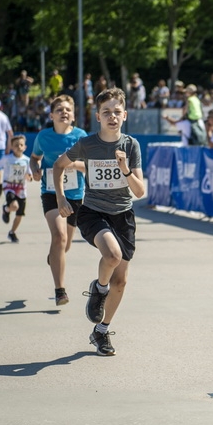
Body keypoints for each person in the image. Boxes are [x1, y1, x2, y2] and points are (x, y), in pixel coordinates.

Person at [53, 88, 145, 356]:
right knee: (112, 255)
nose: (112, 116)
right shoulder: (88, 144)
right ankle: (98, 288)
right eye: (107, 112)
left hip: (123, 215)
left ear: (124, 115)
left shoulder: (131, 145)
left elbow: (139, 192)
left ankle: (102, 331)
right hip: (93, 212)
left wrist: (125, 169)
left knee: (121, 282)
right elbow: (59, 165)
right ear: (98, 117)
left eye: (117, 112)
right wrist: (61, 199)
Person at [30, 95, 87, 306]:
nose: (64, 112)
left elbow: (91, 165)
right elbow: (34, 158)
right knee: (59, 236)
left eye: (68, 110)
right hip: (51, 193)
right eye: (60, 109)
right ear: (51, 115)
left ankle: (54, 256)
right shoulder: (43, 136)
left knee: (65, 246)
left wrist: (71, 165)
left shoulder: (81, 136)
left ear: (73, 115)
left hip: (75, 195)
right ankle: (60, 291)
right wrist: (35, 170)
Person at [0, 135, 32, 243]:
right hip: (9, 187)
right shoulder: (7, 159)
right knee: (14, 206)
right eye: (16, 145)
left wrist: (29, 178)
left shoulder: (27, 160)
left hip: (21, 189)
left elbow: (30, 176)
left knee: (19, 214)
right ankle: (7, 209)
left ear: (25, 147)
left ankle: (12, 232)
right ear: (11, 147)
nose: (19, 147)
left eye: (21, 145)